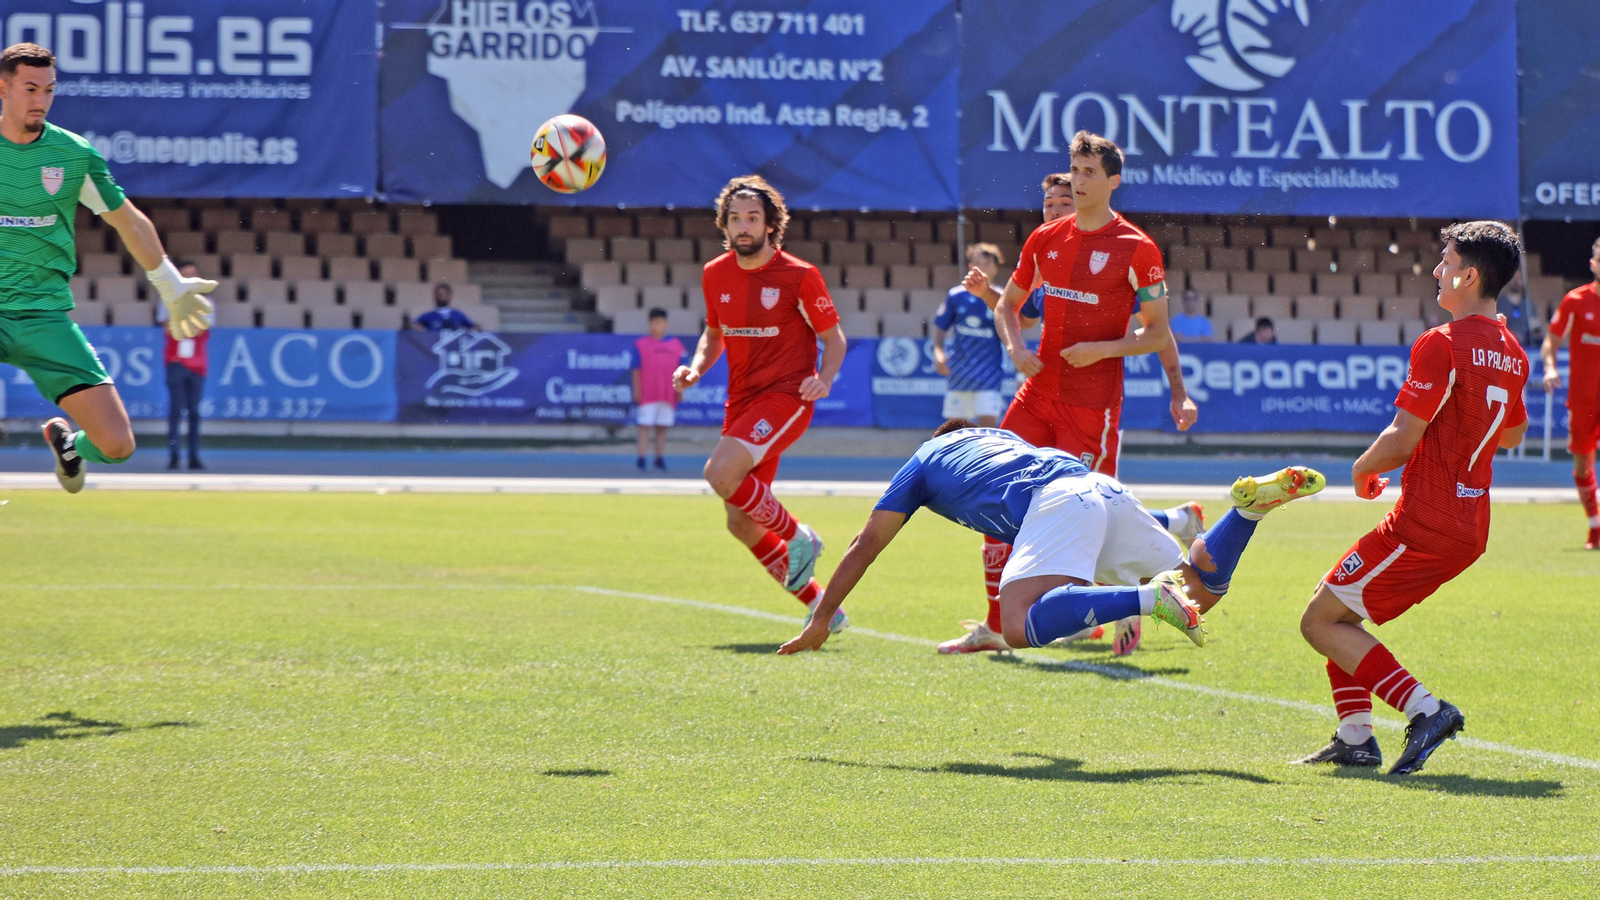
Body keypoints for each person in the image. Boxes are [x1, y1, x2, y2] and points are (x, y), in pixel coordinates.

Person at [945, 137, 1201, 657]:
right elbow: (1009, 306)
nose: (1079, 180)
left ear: (1113, 181)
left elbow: (1157, 333)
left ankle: (1134, 600)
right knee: (994, 500)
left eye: (1089, 172)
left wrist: (1105, 351)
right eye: (1075, 170)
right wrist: (1016, 348)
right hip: (1037, 395)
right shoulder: (1046, 238)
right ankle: (997, 626)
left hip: (1092, 406)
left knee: (1092, 520)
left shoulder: (1137, 247)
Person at [776, 420, 1325, 655]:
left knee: (1016, 621)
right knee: (1198, 591)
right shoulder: (998, 437)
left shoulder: (925, 457)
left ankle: (1146, 600)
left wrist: (821, 618)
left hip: (1059, 500)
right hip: (1099, 488)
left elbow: (864, 545)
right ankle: (1247, 513)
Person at [1297, 222, 1529, 775]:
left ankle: (1428, 709)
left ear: (1469, 275)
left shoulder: (1442, 342)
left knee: (1319, 622)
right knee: (1336, 607)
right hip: (1469, 523)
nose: (1436, 270)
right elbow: (1514, 432)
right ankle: (1356, 738)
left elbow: (1402, 438)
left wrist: (1360, 470)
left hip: (1425, 520)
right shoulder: (1512, 350)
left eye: (1445, 261)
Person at [0, 43, 214, 492]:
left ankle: (70, 448)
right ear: (3, 88)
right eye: (30, 88)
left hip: (44, 317)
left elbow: (128, 220)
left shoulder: (73, 155)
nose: (40, 100)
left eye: (49, 90)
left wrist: (170, 283)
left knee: (117, 445)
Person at [673, 176, 849, 632]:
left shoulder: (799, 275)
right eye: (735, 219)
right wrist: (695, 368)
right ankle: (823, 610)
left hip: (787, 397)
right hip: (742, 402)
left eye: (753, 218)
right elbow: (714, 336)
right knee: (741, 522)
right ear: (725, 225)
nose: (743, 226)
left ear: (771, 225)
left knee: (719, 472)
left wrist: (824, 379)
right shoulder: (715, 273)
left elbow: (834, 339)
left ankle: (800, 538)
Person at [1541, 235, 1600, 549]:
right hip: (1583, 398)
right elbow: (1550, 341)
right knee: (1582, 466)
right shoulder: (1576, 300)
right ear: (1593, 263)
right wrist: (1550, 368)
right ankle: (1595, 526)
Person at [931, 243, 1007, 427]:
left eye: (987, 264)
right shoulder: (956, 296)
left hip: (989, 375)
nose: (982, 269)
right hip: (959, 373)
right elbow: (940, 327)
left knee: (988, 431)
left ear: (996, 269)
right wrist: (938, 352)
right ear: (971, 267)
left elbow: (1011, 333)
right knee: (954, 432)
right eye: (977, 264)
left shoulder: (1002, 298)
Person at [157, 260, 211, 470]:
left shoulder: (206, 303)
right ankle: (174, 455)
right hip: (176, 362)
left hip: (197, 365)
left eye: (193, 275)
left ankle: (194, 456)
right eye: (185, 275)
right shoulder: (167, 301)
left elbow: (202, 327)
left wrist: (182, 323)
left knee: (195, 413)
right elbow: (169, 328)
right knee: (175, 411)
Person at [632, 307, 685, 472]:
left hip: (667, 393)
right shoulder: (641, 345)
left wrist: (680, 390)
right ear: (649, 323)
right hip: (648, 393)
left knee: (662, 427)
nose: (658, 326)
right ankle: (641, 458)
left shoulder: (676, 345)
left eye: (661, 322)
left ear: (666, 324)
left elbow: (681, 370)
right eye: (655, 322)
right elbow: (635, 370)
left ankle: (659, 457)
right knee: (645, 426)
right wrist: (637, 390)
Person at [412, 284, 477, 330]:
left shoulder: (458, 314)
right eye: (439, 294)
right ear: (434, 296)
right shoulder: (428, 315)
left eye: (444, 294)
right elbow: (413, 325)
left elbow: (473, 327)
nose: (441, 297)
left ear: (449, 296)